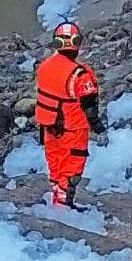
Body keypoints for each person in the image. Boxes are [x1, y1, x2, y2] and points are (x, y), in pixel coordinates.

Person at [32, 21, 104, 209]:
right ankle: (63, 208)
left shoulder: (45, 67)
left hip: (49, 127)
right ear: (77, 43)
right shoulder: (79, 74)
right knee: (71, 170)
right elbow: (89, 105)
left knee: (55, 165)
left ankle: (57, 200)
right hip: (73, 127)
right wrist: (97, 125)